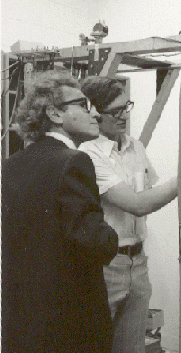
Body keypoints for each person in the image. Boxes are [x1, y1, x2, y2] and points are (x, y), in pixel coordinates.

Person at [79, 76, 181, 353]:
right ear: (95, 114)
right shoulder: (89, 155)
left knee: (132, 348)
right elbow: (138, 204)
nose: (123, 116)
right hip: (106, 268)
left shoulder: (136, 148)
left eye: (126, 107)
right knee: (95, 345)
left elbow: (150, 192)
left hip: (138, 265)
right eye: (115, 111)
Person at [2, 70, 119, 352]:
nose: (96, 115)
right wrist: (112, 236)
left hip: (23, 321)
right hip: (69, 321)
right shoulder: (74, 161)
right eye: (82, 104)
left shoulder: (11, 164)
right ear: (54, 114)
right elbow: (93, 240)